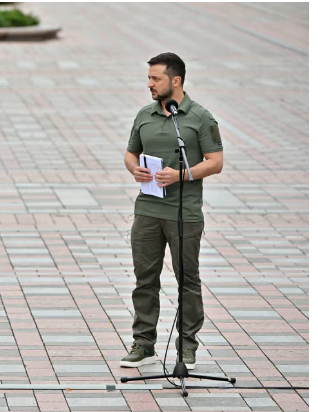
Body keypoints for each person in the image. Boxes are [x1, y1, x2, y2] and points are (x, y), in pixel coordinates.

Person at [120, 52, 224, 370]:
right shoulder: (145, 115)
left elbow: (215, 162)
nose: (149, 84)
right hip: (147, 210)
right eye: (149, 78)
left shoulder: (200, 118)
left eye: (156, 78)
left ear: (175, 81)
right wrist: (135, 169)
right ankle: (143, 343)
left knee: (187, 280)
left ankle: (187, 347)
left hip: (184, 213)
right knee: (144, 279)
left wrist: (180, 175)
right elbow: (130, 154)